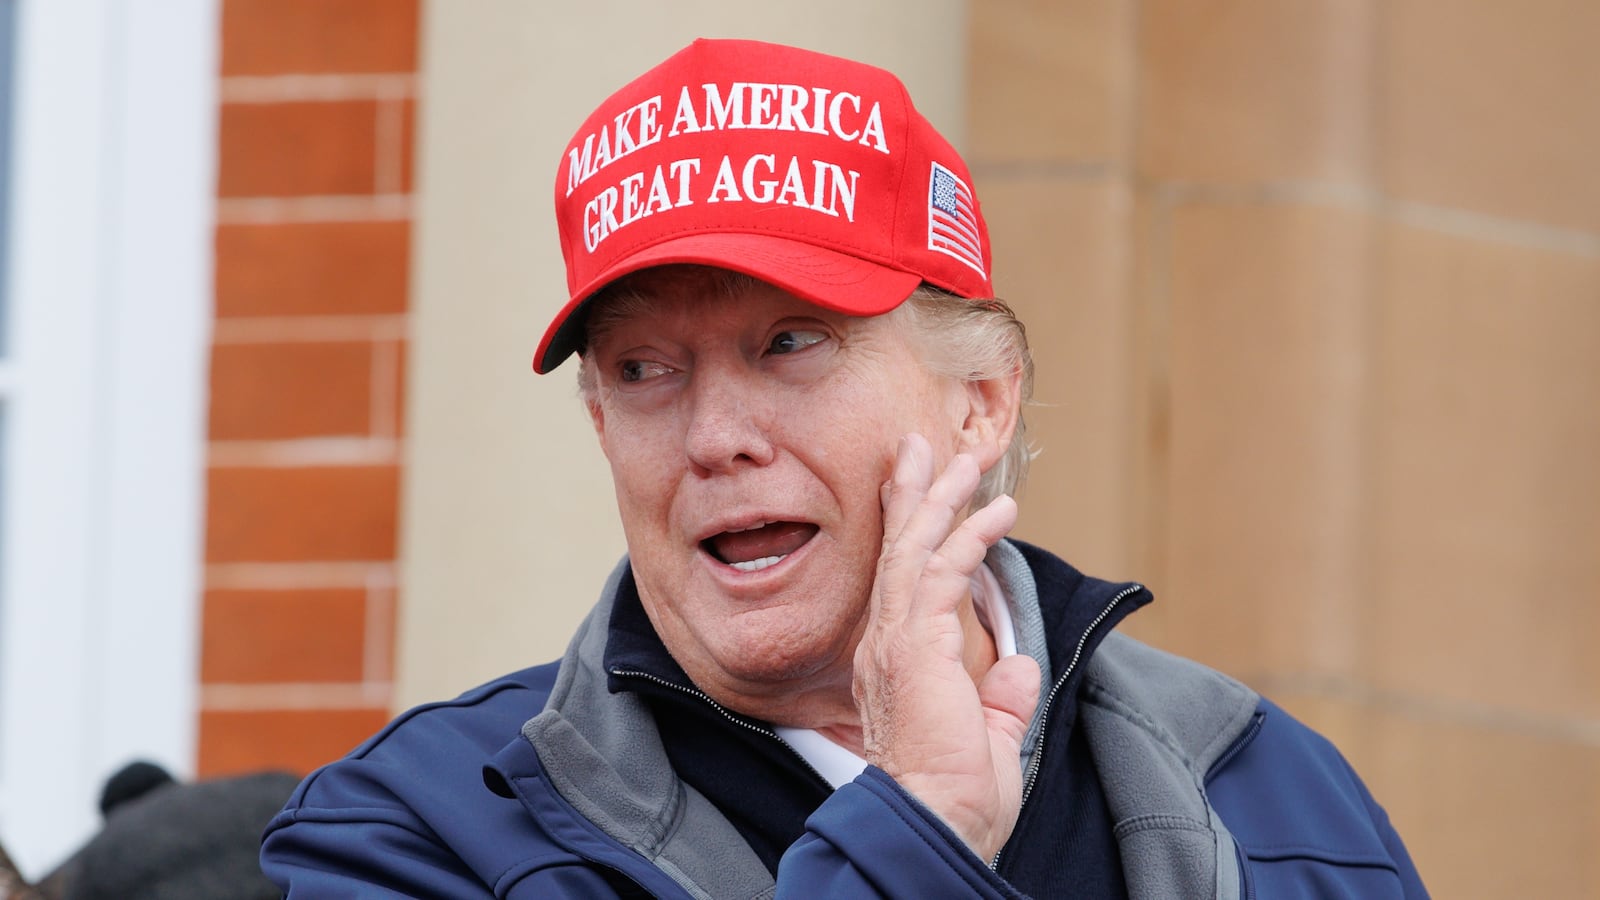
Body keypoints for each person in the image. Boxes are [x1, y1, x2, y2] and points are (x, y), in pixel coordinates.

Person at [260, 38, 1428, 898]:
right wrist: (913, 830)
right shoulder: (418, 833)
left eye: (790, 345)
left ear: (982, 401)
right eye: (643, 369)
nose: (717, 436)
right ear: (601, 426)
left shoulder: (1275, 797)